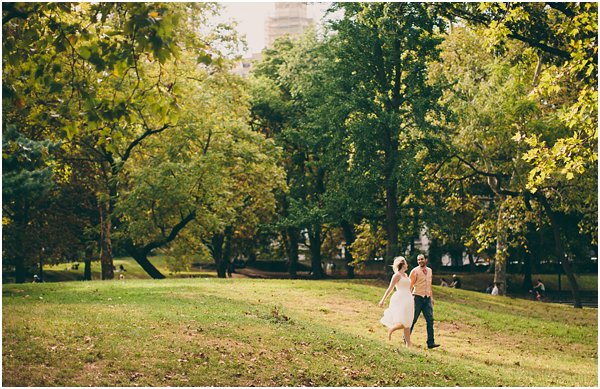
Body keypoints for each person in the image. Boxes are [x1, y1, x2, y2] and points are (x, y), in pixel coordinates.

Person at [378, 256, 414, 347]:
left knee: (408, 322)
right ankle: (392, 329)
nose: (407, 265)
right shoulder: (396, 275)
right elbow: (390, 288)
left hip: (408, 298)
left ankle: (408, 344)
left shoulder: (406, 275)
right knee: (403, 321)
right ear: (402, 264)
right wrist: (383, 300)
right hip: (400, 299)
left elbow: (409, 287)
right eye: (406, 263)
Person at [409, 254, 440, 349]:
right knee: (413, 319)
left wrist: (431, 297)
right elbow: (410, 285)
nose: (420, 261)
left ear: (425, 260)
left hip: (427, 299)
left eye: (422, 259)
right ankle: (406, 337)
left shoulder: (430, 271)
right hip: (417, 297)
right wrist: (409, 298)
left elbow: (429, 285)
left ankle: (430, 342)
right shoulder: (415, 271)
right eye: (418, 260)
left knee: (430, 320)